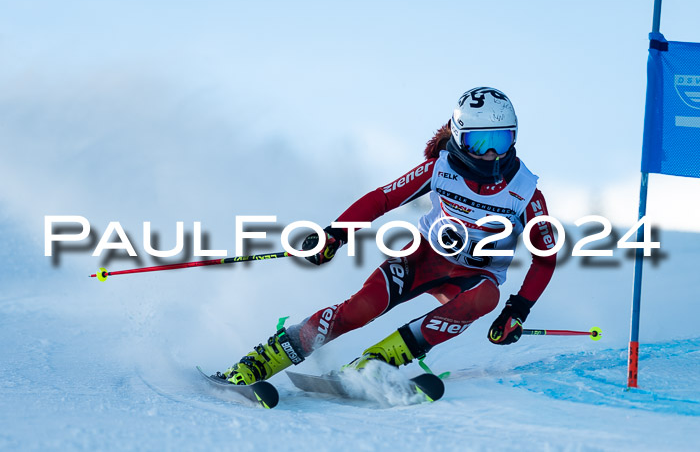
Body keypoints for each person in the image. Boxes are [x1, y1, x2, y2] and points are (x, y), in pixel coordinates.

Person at [220, 87, 557, 385]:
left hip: (474, 276)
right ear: (458, 137)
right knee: (361, 309)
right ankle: (262, 360)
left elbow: (545, 258)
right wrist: (335, 235)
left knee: (487, 297)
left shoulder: (525, 192)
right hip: (423, 259)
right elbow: (382, 199)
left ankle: (377, 363)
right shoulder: (439, 169)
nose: (490, 154)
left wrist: (518, 310)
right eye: (478, 142)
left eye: (500, 141)